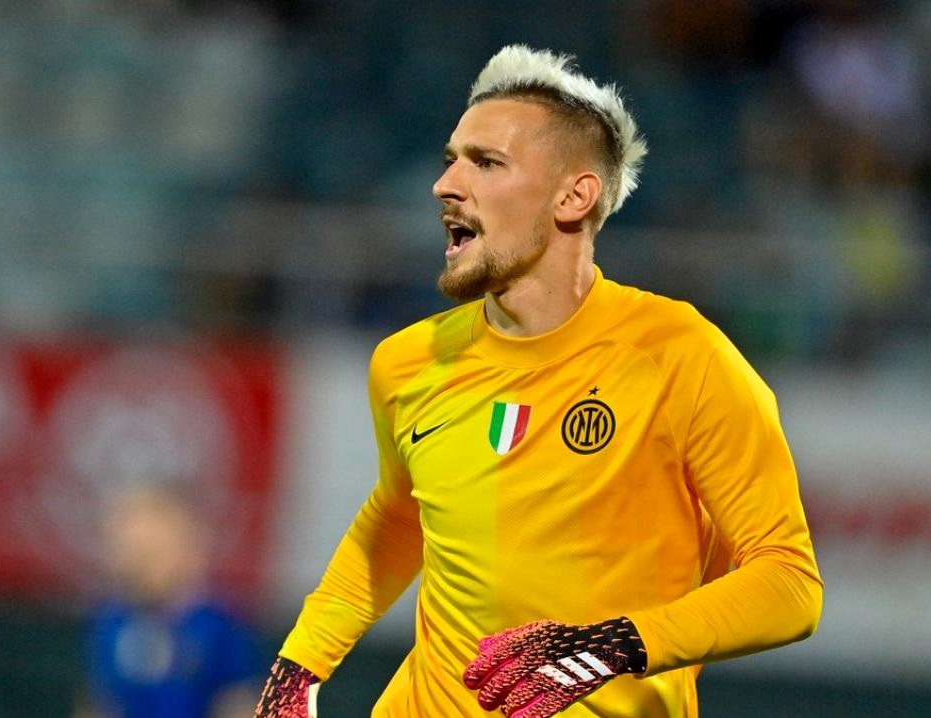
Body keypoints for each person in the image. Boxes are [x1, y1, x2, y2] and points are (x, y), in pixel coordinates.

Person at [255, 45, 822, 718]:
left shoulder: (679, 356)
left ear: (573, 196)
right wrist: (301, 663)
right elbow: (400, 514)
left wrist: (614, 645)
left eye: (486, 163)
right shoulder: (408, 363)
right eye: (450, 159)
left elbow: (789, 583)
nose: (445, 184)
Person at [79, 485, 261, 718]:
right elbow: (99, 703)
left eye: (153, 554)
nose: (140, 567)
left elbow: (239, 704)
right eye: (133, 553)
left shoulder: (219, 625)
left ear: (188, 550)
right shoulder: (112, 622)